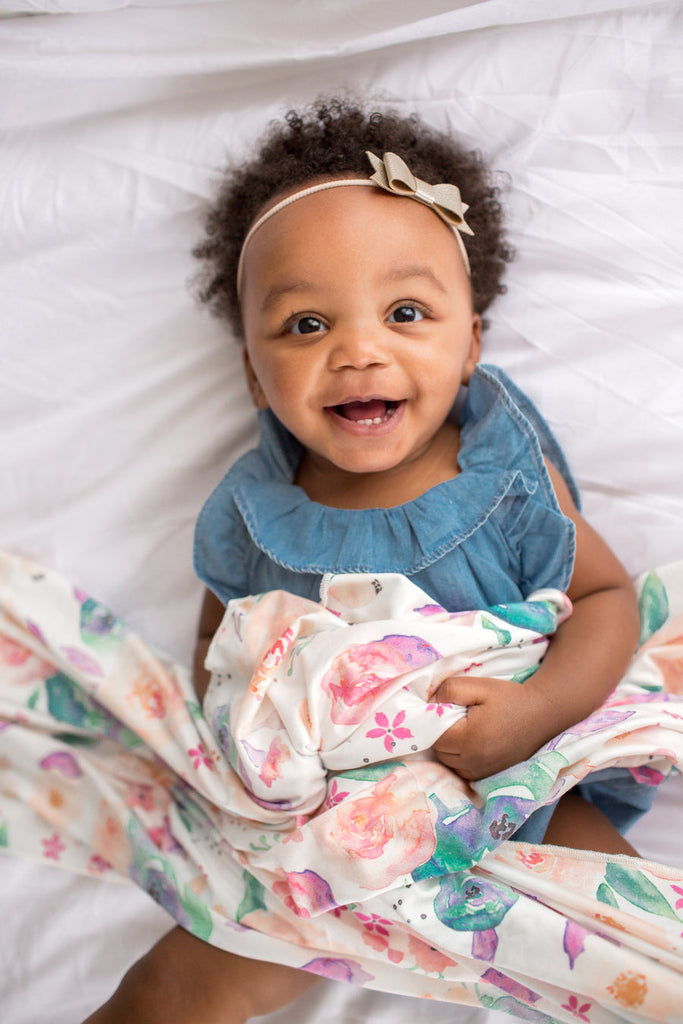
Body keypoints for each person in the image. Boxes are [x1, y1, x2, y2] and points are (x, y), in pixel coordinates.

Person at [84, 97, 644, 1024]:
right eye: (306, 325)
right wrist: (232, 763)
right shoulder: (253, 511)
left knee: (644, 950)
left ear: (469, 345)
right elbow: (222, 649)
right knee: (160, 997)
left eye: (405, 312)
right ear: (253, 373)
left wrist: (537, 712)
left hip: (512, 787)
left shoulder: (500, 479)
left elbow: (605, 596)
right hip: (323, 836)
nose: (356, 350)